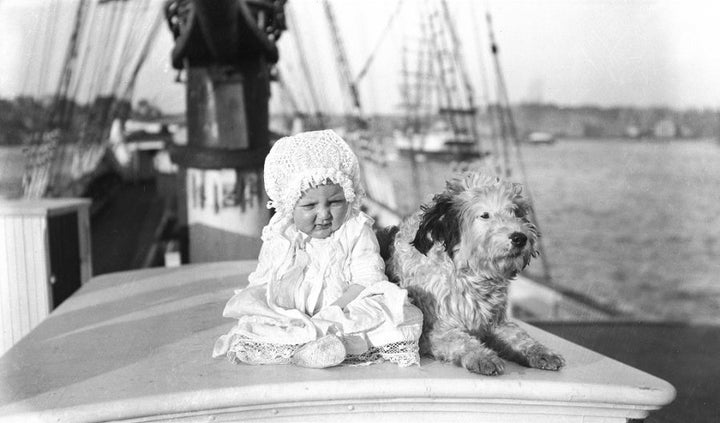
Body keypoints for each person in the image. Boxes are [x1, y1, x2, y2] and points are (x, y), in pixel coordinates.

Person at [213, 129, 423, 368]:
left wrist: (335, 310)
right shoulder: (282, 234)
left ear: (349, 196)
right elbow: (265, 278)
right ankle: (303, 345)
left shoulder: (355, 229)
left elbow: (368, 280)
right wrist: (282, 310)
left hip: (344, 308)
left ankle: (330, 345)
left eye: (335, 202)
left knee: (389, 312)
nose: (324, 214)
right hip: (293, 312)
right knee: (261, 318)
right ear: (289, 206)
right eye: (310, 205)